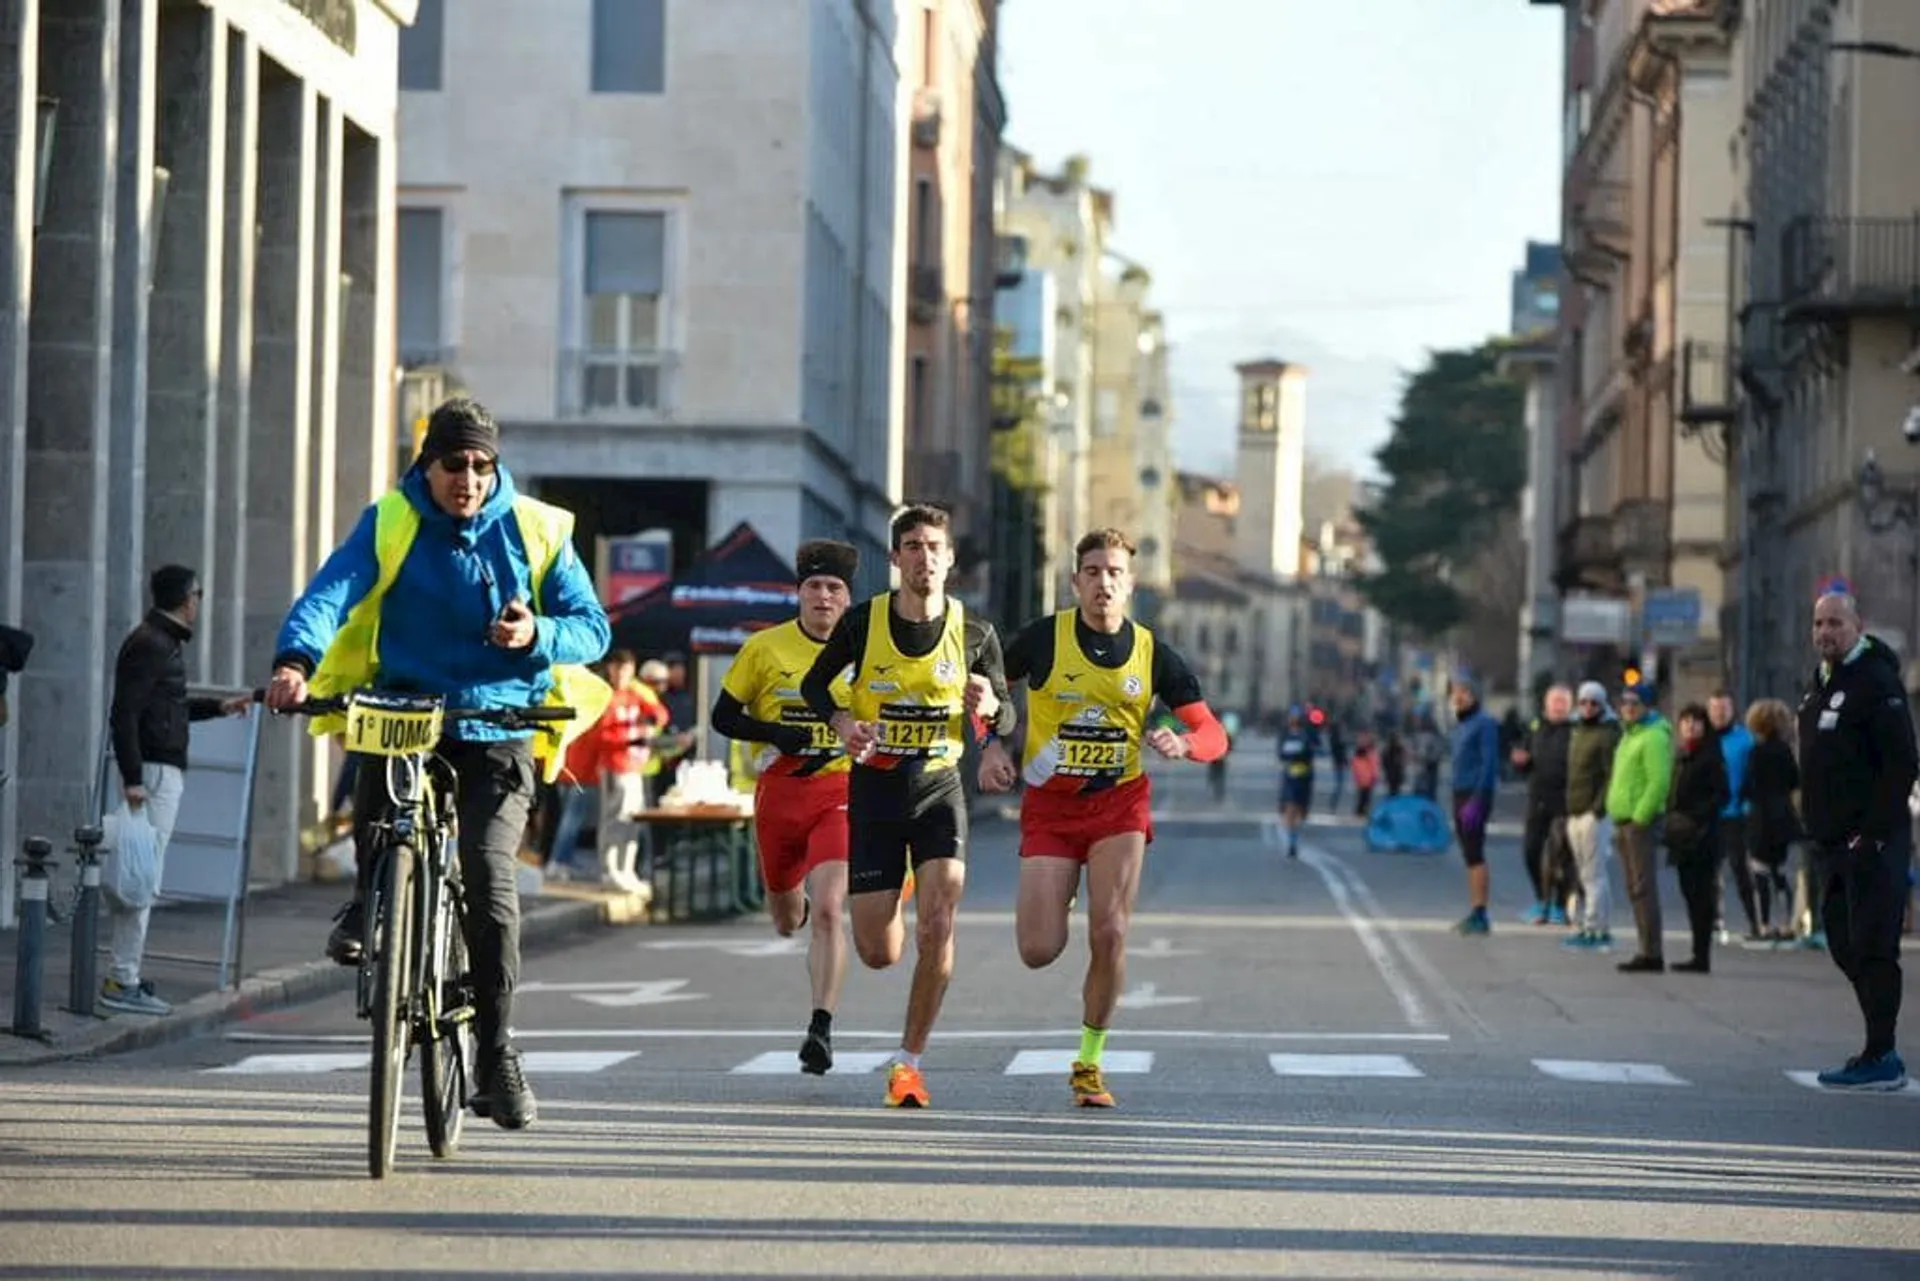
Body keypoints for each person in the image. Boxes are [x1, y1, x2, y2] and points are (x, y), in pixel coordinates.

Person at [264, 396, 612, 1131]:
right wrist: (296, 660)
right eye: (454, 463)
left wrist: (536, 632)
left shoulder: (539, 529)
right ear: (428, 461)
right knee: (377, 773)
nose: (469, 478)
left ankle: (495, 1051)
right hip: (409, 708)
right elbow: (332, 591)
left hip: (500, 720)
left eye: (483, 465)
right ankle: (371, 897)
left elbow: (593, 627)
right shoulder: (392, 519)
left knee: (489, 876)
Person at [1001, 529, 1228, 1108]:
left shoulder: (1153, 654)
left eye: (1115, 573)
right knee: (1036, 949)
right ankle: (1065, 890)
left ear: (1131, 585)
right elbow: (986, 686)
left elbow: (1213, 732)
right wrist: (995, 742)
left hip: (1119, 805)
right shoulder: (1043, 640)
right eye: (1094, 571)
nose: (1104, 582)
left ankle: (1089, 1062)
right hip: (1051, 807)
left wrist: (1184, 744)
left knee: (1112, 931)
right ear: (1076, 581)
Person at [800, 504, 1017, 1109]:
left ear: (950, 559)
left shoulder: (975, 634)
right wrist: (843, 722)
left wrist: (993, 714)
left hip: (939, 787)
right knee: (877, 951)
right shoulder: (863, 623)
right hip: (875, 791)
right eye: (913, 546)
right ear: (896, 558)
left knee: (940, 918)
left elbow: (1006, 711)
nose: (925, 557)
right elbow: (818, 685)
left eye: (935, 546)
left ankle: (909, 1062)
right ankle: (892, 888)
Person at [712, 539, 861, 1075]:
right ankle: (787, 895)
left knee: (828, 909)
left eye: (834, 588)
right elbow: (723, 717)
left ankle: (820, 1026)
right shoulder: (765, 648)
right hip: (779, 792)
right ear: (798, 595)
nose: (824, 597)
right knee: (785, 918)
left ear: (848, 598)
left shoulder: (867, 652)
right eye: (814, 587)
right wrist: (773, 730)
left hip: (841, 791)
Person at [101, 566, 252, 1016]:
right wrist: (132, 779)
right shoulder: (152, 644)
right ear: (187, 599)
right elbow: (124, 714)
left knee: (141, 875)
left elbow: (168, 707)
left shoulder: (159, 643)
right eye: (199, 595)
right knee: (141, 877)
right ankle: (121, 978)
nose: (199, 603)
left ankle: (123, 973)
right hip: (152, 775)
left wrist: (219, 707)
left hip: (153, 772)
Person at [1797, 591, 1915, 1090]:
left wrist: (1872, 835)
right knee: (1844, 943)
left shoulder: (1876, 681)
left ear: (1857, 626)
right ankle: (1877, 1046)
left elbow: (1902, 764)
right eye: (1819, 623)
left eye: (1835, 624)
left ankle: (1881, 1054)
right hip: (1829, 843)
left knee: (1872, 946)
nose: (1826, 632)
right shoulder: (1824, 681)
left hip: (1871, 842)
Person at [1607, 677, 1673, 974]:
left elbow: (1659, 781)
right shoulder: (1629, 735)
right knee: (1634, 888)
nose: (1629, 708)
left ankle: (1652, 952)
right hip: (1624, 820)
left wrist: (1640, 816)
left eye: (1635, 703)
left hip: (1639, 823)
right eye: (1625, 703)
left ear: (1647, 706)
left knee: (1643, 887)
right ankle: (1645, 947)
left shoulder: (1654, 737)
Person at [1664, 703, 1729, 974]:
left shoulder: (1710, 756)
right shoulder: (1681, 756)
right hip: (1682, 837)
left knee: (1702, 896)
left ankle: (1701, 955)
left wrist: (1696, 817)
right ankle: (1696, 952)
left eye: (1696, 722)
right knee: (1690, 894)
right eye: (1686, 721)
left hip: (1703, 836)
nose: (1690, 726)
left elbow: (1721, 795)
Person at [1562, 681, 1621, 952]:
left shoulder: (1608, 733)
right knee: (1588, 873)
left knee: (1593, 874)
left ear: (1602, 705)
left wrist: (1598, 809)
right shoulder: (1577, 730)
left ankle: (1593, 926)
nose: (1587, 707)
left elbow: (1611, 775)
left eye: (1593, 703)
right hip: (1575, 810)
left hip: (1592, 813)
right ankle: (1600, 926)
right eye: (1583, 702)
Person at [1511, 685, 1574, 926]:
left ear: (1570, 705)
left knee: (1562, 855)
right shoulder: (1536, 727)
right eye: (1555, 701)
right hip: (1538, 798)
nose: (1558, 706)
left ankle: (1559, 905)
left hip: (1565, 801)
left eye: (1563, 702)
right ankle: (1541, 900)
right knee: (1531, 850)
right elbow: (1523, 757)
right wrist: (1520, 762)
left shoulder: (1575, 730)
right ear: (1546, 705)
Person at [1741, 698, 1801, 943]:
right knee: (1779, 872)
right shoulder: (1785, 750)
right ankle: (1787, 923)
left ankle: (1763, 925)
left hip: (1760, 817)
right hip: (1783, 815)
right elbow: (1795, 780)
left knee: (1760, 871)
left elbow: (1749, 784)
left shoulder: (1756, 752)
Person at [1448, 678, 1501, 935]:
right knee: (1468, 854)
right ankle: (1474, 909)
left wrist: (1478, 798)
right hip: (1459, 792)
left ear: (1475, 696)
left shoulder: (1485, 724)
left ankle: (1481, 912)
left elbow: (1489, 762)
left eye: (1465, 693)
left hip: (1474, 793)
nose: (1459, 697)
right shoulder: (1460, 725)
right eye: (1456, 693)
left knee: (1475, 850)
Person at [1709, 689, 1758, 942]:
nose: (1718, 714)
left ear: (1732, 711)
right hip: (1709, 814)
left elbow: (1754, 775)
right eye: (1715, 709)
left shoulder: (1745, 740)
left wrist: (1748, 805)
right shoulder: (1705, 738)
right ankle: (1715, 921)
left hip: (1735, 813)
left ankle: (1755, 922)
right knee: (1710, 872)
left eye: (1723, 709)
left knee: (1741, 870)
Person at [1276, 709, 1314, 859]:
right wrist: (1294, 754)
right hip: (1290, 777)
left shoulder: (1305, 735)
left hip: (1304, 777)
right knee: (1289, 809)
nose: (1293, 719)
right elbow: (1281, 754)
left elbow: (1309, 754)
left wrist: (1298, 754)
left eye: (1295, 717)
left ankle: (1295, 837)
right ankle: (1291, 843)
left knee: (1300, 811)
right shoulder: (1285, 736)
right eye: (1291, 716)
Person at [1350, 730, 1379, 818]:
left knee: (1362, 795)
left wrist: (1356, 776)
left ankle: (1360, 810)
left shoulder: (1358, 754)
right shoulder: (1371, 753)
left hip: (1361, 778)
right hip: (1368, 778)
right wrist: (1375, 776)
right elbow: (1374, 766)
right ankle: (1362, 811)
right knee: (1366, 796)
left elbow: (1354, 766)